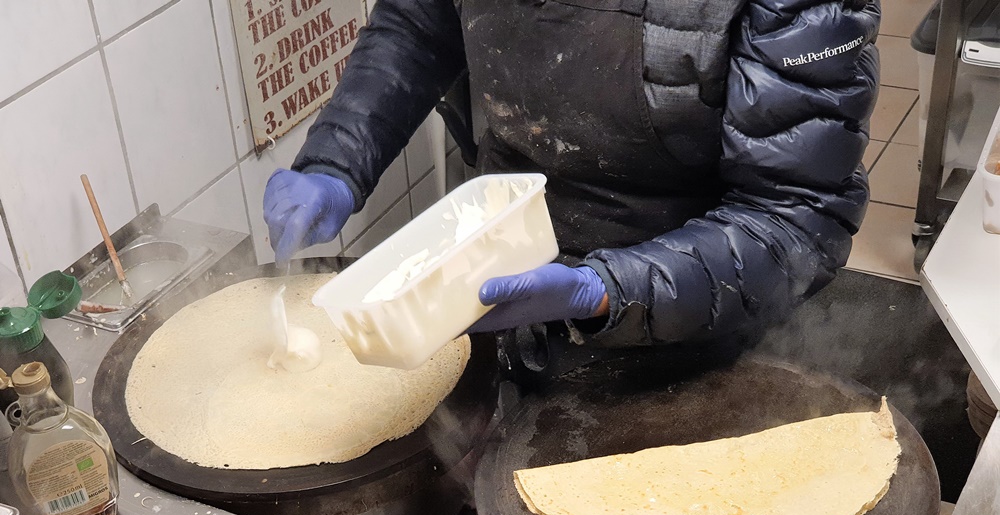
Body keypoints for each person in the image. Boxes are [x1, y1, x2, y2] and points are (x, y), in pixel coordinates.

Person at [264, 0, 879, 352]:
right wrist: (338, 159)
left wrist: (607, 290)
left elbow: (798, 218)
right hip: (498, 299)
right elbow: (419, 27)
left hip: (704, 328)